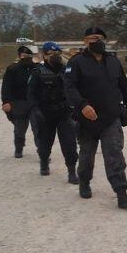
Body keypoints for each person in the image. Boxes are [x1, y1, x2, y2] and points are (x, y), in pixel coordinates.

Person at [63, 27, 127, 209]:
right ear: (84, 42)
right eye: (91, 38)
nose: (95, 41)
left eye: (98, 38)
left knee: (114, 154)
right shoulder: (76, 62)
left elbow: (124, 86)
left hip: (111, 117)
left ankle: (121, 193)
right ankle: (84, 182)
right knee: (87, 155)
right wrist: (82, 105)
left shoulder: (113, 61)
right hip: (87, 119)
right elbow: (69, 87)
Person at [28, 41, 79, 183]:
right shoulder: (37, 72)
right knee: (45, 143)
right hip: (45, 114)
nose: (55, 57)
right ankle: (44, 162)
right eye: (52, 54)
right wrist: (35, 110)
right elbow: (31, 95)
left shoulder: (66, 71)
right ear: (44, 55)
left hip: (64, 113)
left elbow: (75, 89)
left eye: (58, 54)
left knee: (69, 143)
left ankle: (71, 171)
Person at [1, 46, 40, 158]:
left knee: (38, 128)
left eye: (28, 56)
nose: (26, 58)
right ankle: (19, 148)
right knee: (19, 129)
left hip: (35, 103)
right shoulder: (12, 69)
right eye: (24, 56)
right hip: (18, 103)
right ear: (19, 56)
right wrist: (6, 102)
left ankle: (42, 151)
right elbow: (6, 87)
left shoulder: (38, 69)